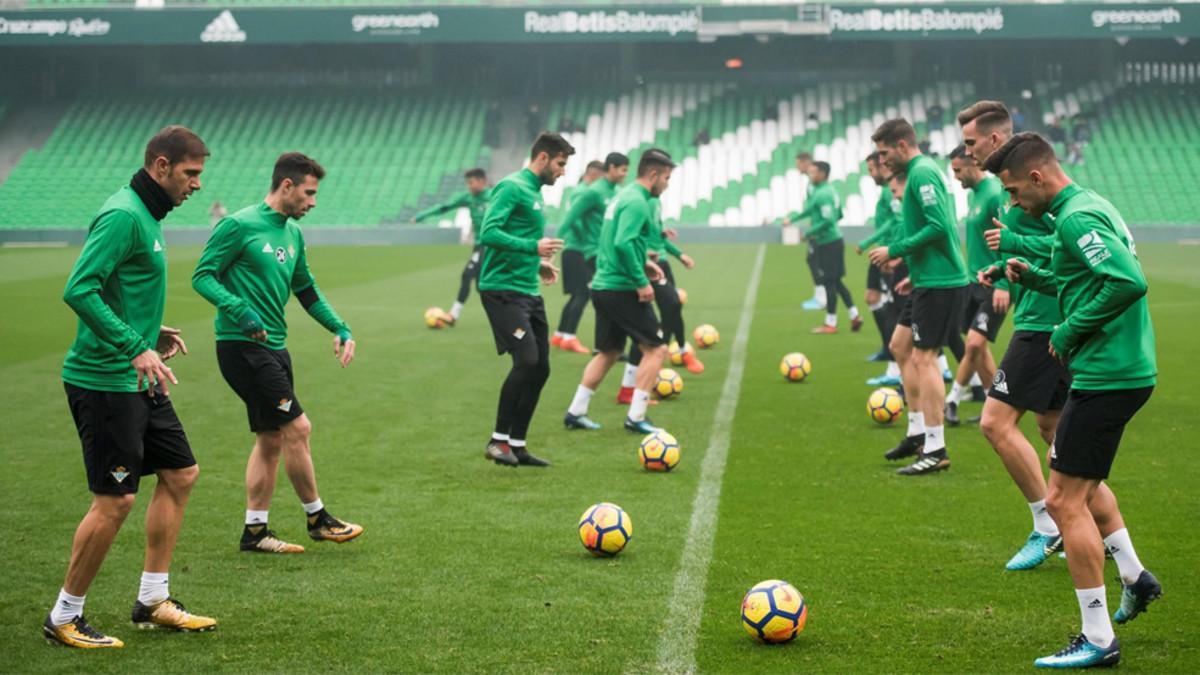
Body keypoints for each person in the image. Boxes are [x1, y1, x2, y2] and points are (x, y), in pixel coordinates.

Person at [988, 132, 1161, 669]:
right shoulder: (1089, 205)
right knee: (1074, 489)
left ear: (1037, 177)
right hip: (1117, 369)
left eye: (1016, 192)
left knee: (1064, 503)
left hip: (1108, 373)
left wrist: (1068, 331)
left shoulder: (1076, 217)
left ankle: (1098, 638)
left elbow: (1127, 281)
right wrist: (1034, 274)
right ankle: (1135, 578)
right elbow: (1083, 278)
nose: (1014, 204)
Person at [47, 125, 217, 649]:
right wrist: (131, 344)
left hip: (136, 375)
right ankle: (64, 616)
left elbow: (122, 288)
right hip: (105, 380)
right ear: (161, 166)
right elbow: (80, 288)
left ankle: (152, 599)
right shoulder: (125, 214)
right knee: (115, 501)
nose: (196, 185)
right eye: (190, 174)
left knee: (181, 474)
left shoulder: (149, 215)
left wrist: (150, 334)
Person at [192, 152, 362, 555]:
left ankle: (255, 533)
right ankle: (318, 518)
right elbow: (202, 276)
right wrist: (239, 309)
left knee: (270, 439)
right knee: (298, 429)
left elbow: (306, 290)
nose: (313, 202)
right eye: (309, 192)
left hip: (274, 347)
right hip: (242, 347)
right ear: (287, 186)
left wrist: (339, 326)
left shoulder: (292, 234)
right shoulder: (238, 225)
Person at [961, 100, 1072, 569]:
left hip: (1043, 322)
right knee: (1052, 429)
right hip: (1047, 315)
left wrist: (1014, 246)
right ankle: (1086, 528)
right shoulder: (1012, 183)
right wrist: (1001, 270)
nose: (966, 151)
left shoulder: (1031, 181)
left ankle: (1046, 524)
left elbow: (1066, 240)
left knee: (994, 423)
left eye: (970, 142)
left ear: (993, 139)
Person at [868, 118, 969, 476]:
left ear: (901, 145)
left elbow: (940, 226)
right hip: (928, 279)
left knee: (925, 359)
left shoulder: (924, 173)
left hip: (942, 282)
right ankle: (915, 433)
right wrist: (913, 271)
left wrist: (894, 249)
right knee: (899, 345)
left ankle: (936, 447)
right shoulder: (917, 173)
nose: (882, 161)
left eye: (884, 153)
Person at [477, 132, 573, 467]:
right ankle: (497, 441)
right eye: (560, 164)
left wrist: (538, 263)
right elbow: (488, 232)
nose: (562, 172)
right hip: (501, 289)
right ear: (543, 157)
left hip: (526, 289)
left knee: (542, 367)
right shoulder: (512, 186)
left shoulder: (534, 192)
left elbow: (519, 238)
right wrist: (532, 248)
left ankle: (517, 444)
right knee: (527, 360)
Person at [563, 149, 676, 434]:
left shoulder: (622, 197)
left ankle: (576, 411)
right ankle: (636, 416)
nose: (667, 184)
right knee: (656, 349)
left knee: (609, 352)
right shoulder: (637, 202)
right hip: (622, 287)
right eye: (666, 178)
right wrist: (640, 280)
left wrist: (646, 263)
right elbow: (624, 243)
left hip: (604, 285)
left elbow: (616, 241)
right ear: (653, 175)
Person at [944, 145, 1008, 426]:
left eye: (958, 170)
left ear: (973, 164)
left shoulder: (995, 193)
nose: (956, 177)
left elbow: (1010, 235)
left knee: (973, 343)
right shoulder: (973, 195)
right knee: (979, 347)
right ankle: (996, 403)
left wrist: (1005, 282)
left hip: (995, 282)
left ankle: (952, 400)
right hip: (973, 281)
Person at [554, 155, 626, 353]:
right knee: (585, 293)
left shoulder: (588, 191)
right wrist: (584, 238)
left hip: (581, 248)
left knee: (580, 294)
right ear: (595, 174)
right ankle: (571, 337)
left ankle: (561, 334)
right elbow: (572, 219)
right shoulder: (584, 192)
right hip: (579, 249)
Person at [411, 168, 492, 325]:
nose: (469, 186)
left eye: (471, 182)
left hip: (490, 245)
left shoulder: (494, 196)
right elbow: (444, 207)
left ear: (482, 181)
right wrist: (422, 216)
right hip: (478, 246)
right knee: (482, 286)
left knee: (467, 275)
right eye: (467, 183)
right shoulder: (468, 198)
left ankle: (453, 315)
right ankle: (503, 314)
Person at [789, 161, 861, 334]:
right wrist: (793, 220)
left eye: (813, 172)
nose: (810, 175)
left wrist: (808, 232)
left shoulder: (823, 194)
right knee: (835, 281)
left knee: (829, 281)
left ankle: (831, 323)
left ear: (822, 174)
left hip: (829, 243)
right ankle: (854, 315)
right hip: (832, 240)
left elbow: (828, 221)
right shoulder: (828, 191)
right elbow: (839, 214)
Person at [784, 151, 826, 311]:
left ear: (805, 162)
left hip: (818, 230)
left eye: (798, 164)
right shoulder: (811, 183)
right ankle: (820, 296)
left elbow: (812, 208)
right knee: (813, 260)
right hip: (815, 228)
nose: (797, 168)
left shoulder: (815, 185)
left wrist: (795, 220)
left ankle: (822, 298)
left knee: (816, 261)